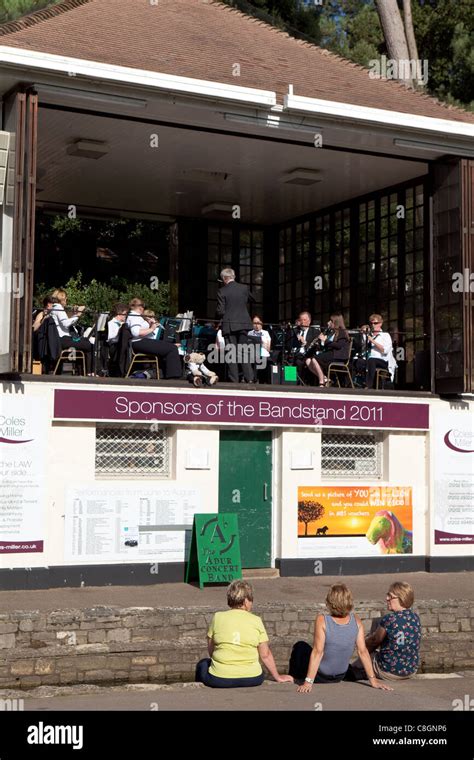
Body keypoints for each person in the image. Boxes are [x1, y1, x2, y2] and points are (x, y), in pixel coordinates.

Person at [290, 583, 393, 691]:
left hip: (320, 676)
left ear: (330, 602)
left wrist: (308, 682)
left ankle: (293, 677)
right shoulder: (356, 620)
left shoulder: (322, 620)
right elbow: (363, 652)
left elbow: (318, 652)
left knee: (300, 646)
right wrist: (373, 681)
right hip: (340, 676)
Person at [196, 580, 294, 688]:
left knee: (203, 663)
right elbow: (265, 655)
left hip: (220, 679)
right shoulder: (256, 620)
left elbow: (211, 648)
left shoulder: (218, 617)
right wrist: (278, 677)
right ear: (246, 601)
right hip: (252, 678)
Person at [356, 582, 421, 680]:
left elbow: (374, 642)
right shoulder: (415, 617)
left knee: (366, 653)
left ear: (401, 598)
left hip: (389, 671)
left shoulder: (389, 619)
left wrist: (361, 645)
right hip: (410, 671)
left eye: (390, 596)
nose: (387, 599)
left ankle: (352, 669)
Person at [126, 298, 182, 379]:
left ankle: (164, 373)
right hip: (139, 342)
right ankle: (174, 376)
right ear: (140, 307)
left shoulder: (133, 316)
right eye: (143, 307)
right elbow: (136, 332)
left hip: (140, 341)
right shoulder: (135, 316)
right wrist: (152, 328)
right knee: (172, 348)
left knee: (169, 347)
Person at [216, 268, 255, 383]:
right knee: (243, 350)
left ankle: (234, 380)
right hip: (243, 323)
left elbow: (220, 311)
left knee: (232, 353)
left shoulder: (222, 291)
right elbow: (253, 299)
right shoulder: (244, 288)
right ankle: (250, 378)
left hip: (230, 325)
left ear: (224, 278)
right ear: (234, 276)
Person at [50, 288, 93, 375]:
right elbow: (66, 324)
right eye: (66, 298)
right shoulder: (58, 308)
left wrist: (74, 314)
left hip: (60, 339)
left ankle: (82, 372)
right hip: (64, 339)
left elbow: (65, 322)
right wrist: (78, 315)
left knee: (84, 343)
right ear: (61, 298)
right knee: (89, 345)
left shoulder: (54, 308)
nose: (66, 300)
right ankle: (89, 372)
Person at [305, 314, 350, 387]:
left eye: (330, 321)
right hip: (331, 354)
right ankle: (325, 379)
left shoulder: (342, 332)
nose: (328, 323)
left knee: (315, 359)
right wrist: (320, 343)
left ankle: (321, 382)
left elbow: (338, 346)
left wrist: (325, 340)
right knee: (308, 361)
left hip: (338, 355)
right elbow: (328, 345)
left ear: (335, 322)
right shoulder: (332, 332)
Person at [355, 314, 397, 389]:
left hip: (382, 360)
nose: (373, 325)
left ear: (380, 323)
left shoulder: (385, 335)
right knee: (358, 361)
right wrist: (364, 334)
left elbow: (385, 351)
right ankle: (357, 383)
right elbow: (362, 347)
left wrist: (373, 341)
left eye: (375, 323)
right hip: (369, 359)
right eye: (371, 323)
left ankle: (369, 385)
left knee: (372, 360)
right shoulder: (369, 335)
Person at [248, 316, 271, 382]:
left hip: (263, 354)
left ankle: (259, 379)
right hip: (252, 353)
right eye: (254, 323)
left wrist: (262, 342)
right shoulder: (250, 333)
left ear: (261, 323)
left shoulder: (265, 333)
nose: (256, 325)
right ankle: (251, 379)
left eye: (258, 323)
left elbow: (268, 348)